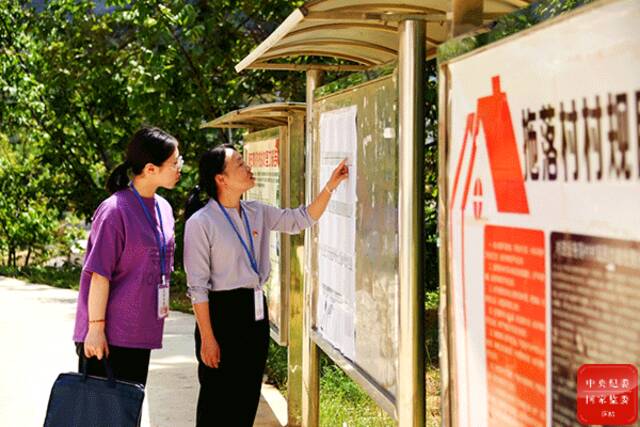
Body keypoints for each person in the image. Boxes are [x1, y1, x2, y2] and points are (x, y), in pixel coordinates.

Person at [183, 144, 348, 426]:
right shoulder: (201, 222)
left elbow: (301, 219)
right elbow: (197, 287)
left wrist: (331, 186)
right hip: (221, 314)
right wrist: (208, 338)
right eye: (239, 164)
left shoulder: (256, 211)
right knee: (217, 400)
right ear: (220, 179)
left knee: (246, 396)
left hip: (254, 312)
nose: (248, 167)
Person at [72, 126, 182, 386]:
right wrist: (96, 329)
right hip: (109, 336)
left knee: (127, 414)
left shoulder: (164, 209)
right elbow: (99, 275)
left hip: (140, 332)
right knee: (101, 417)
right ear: (150, 169)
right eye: (175, 162)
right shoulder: (114, 211)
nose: (180, 168)